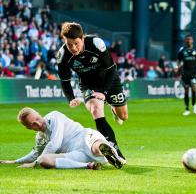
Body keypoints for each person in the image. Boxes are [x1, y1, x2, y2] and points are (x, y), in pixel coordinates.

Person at [56, 22, 128, 162]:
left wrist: (104, 92)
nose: (73, 48)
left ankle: (114, 109)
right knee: (96, 110)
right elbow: (65, 80)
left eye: (76, 43)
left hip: (108, 79)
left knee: (123, 116)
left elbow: (111, 69)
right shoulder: (63, 55)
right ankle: (115, 151)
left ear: (82, 38)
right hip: (88, 84)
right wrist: (70, 98)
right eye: (69, 44)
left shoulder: (96, 43)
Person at [0, 107, 124, 169]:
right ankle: (88, 166)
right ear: (28, 128)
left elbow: (55, 143)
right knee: (43, 160)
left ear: (39, 114)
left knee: (95, 145)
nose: (38, 124)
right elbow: (34, 154)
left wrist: (33, 164)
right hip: (75, 154)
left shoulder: (54, 117)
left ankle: (111, 154)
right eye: (33, 124)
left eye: (37, 119)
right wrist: (15, 161)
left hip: (83, 137)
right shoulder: (40, 137)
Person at [177, 34, 196, 116]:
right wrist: (177, 66)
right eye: (187, 39)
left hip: (194, 73)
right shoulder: (182, 50)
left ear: (192, 40)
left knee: (194, 90)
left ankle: (194, 105)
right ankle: (187, 109)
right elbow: (178, 60)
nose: (188, 41)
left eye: (190, 39)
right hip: (185, 73)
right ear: (185, 41)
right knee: (186, 90)